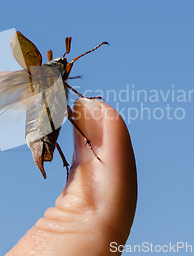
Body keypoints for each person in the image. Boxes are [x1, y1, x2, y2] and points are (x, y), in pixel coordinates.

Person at [8, 99, 138, 255]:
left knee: (64, 114)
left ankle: (72, 159)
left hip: (40, 126)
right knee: (64, 114)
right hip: (40, 130)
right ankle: (84, 146)